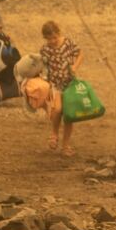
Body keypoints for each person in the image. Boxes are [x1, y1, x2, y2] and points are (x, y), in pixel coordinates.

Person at [40, 21, 83, 157]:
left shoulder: (68, 43)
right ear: (45, 38)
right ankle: (54, 134)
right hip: (55, 84)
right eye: (49, 39)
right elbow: (42, 66)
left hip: (69, 84)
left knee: (69, 116)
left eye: (54, 37)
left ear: (59, 33)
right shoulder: (44, 50)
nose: (52, 41)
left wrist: (75, 66)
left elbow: (80, 53)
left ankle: (65, 146)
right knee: (57, 109)